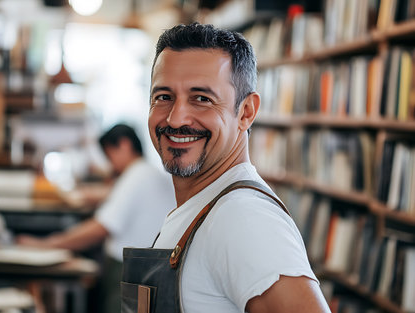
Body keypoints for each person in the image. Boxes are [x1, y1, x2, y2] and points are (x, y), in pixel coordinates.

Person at [124, 23, 331, 312]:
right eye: (163, 97)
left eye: (202, 99)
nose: (175, 118)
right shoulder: (208, 204)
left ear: (246, 112)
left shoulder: (244, 217)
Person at [17, 123, 176, 313]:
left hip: (132, 271)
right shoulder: (144, 173)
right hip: (143, 268)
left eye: (109, 156)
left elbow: (101, 227)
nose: (110, 164)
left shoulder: (137, 176)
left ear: (124, 145)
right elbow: (110, 194)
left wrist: (47, 244)